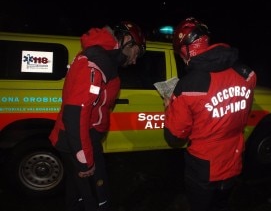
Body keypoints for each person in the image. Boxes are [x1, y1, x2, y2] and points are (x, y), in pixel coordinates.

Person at [49, 21, 146, 211]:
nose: (135, 60)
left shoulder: (104, 59)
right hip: (78, 141)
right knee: (97, 198)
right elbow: (75, 114)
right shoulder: (95, 63)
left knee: (77, 194)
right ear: (127, 40)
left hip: (83, 138)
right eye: (138, 52)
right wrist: (85, 160)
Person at [163, 17, 257, 211]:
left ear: (186, 51)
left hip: (202, 170)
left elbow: (174, 137)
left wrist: (169, 107)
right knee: (222, 205)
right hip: (234, 160)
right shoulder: (247, 74)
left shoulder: (188, 86)